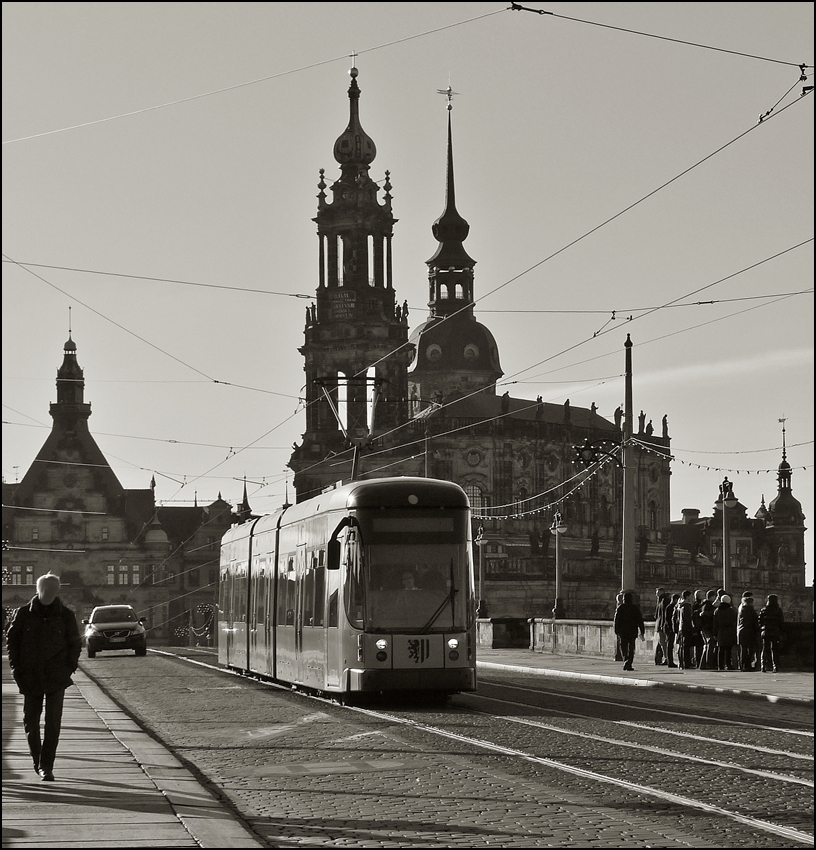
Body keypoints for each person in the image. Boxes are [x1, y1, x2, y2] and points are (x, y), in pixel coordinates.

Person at [6, 573, 81, 781]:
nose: (49, 594)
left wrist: (69, 667)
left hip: (57, 676)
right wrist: (16, 669)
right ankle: (38, 760)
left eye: (53, 591)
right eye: (46, 590)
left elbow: (75, 643)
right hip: (29, 676)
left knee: (53, 723)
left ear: (57, 592)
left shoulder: (65, 615)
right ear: (38, 591)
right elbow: (12, 642)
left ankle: (46, 766)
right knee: (31, 721)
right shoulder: (23, 614)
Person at [614, 591, 645, 671]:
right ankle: (629, 662)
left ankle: (626, 660)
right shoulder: (635, 608)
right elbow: (640, 621)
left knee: (623, 647)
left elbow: (616, 620)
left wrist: (616, 630)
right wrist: (642, 631)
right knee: (631, 648)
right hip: (632, 630)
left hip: (622, 631)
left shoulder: (620, 608)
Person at [758, 594, 785, 673]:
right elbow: (781, 622)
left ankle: (763, 666)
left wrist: (762, 628)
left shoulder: (764, 610)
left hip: (765, 631)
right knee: (774, 649)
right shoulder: (778, 610)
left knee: (764, 648)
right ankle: (775, 666)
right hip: (775, 631)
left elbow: (760, 621)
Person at [713, 594, 737, 670]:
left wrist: (715, 633)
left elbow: (715, 623)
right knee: (728, 650)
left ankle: (720, 665)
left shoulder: (717, 610)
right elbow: (734, 621)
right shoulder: (731, 610)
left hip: (720, 631)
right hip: (729, 631)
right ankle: (728, 664)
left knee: (721, 649)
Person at [737, 594, 760, 672]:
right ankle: (747, 665)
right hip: (749, 632)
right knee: (750, 650)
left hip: (741, 632)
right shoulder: (751, 610)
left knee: (743, 650)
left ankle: (742, 665)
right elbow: (755, 622)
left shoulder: (741, 610)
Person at [673, 590, 694, 669]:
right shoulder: (687, 606)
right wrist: (691, 628)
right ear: (687, 597)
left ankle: (681, 663)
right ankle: (686, 663)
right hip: (686, 628)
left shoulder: (680, 606)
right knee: (686, 647)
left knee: (682, 647)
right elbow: (688, 619)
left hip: (681, 628)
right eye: (691, 596)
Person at [698, 589, 718, 669]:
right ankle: (707, 663)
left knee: (707, 646)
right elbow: (708, 616)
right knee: (709, 645)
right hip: (708, 628)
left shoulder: (704, 604)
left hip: (704, 628)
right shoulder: (708, 605)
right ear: (711, 597)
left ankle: (703, 664)